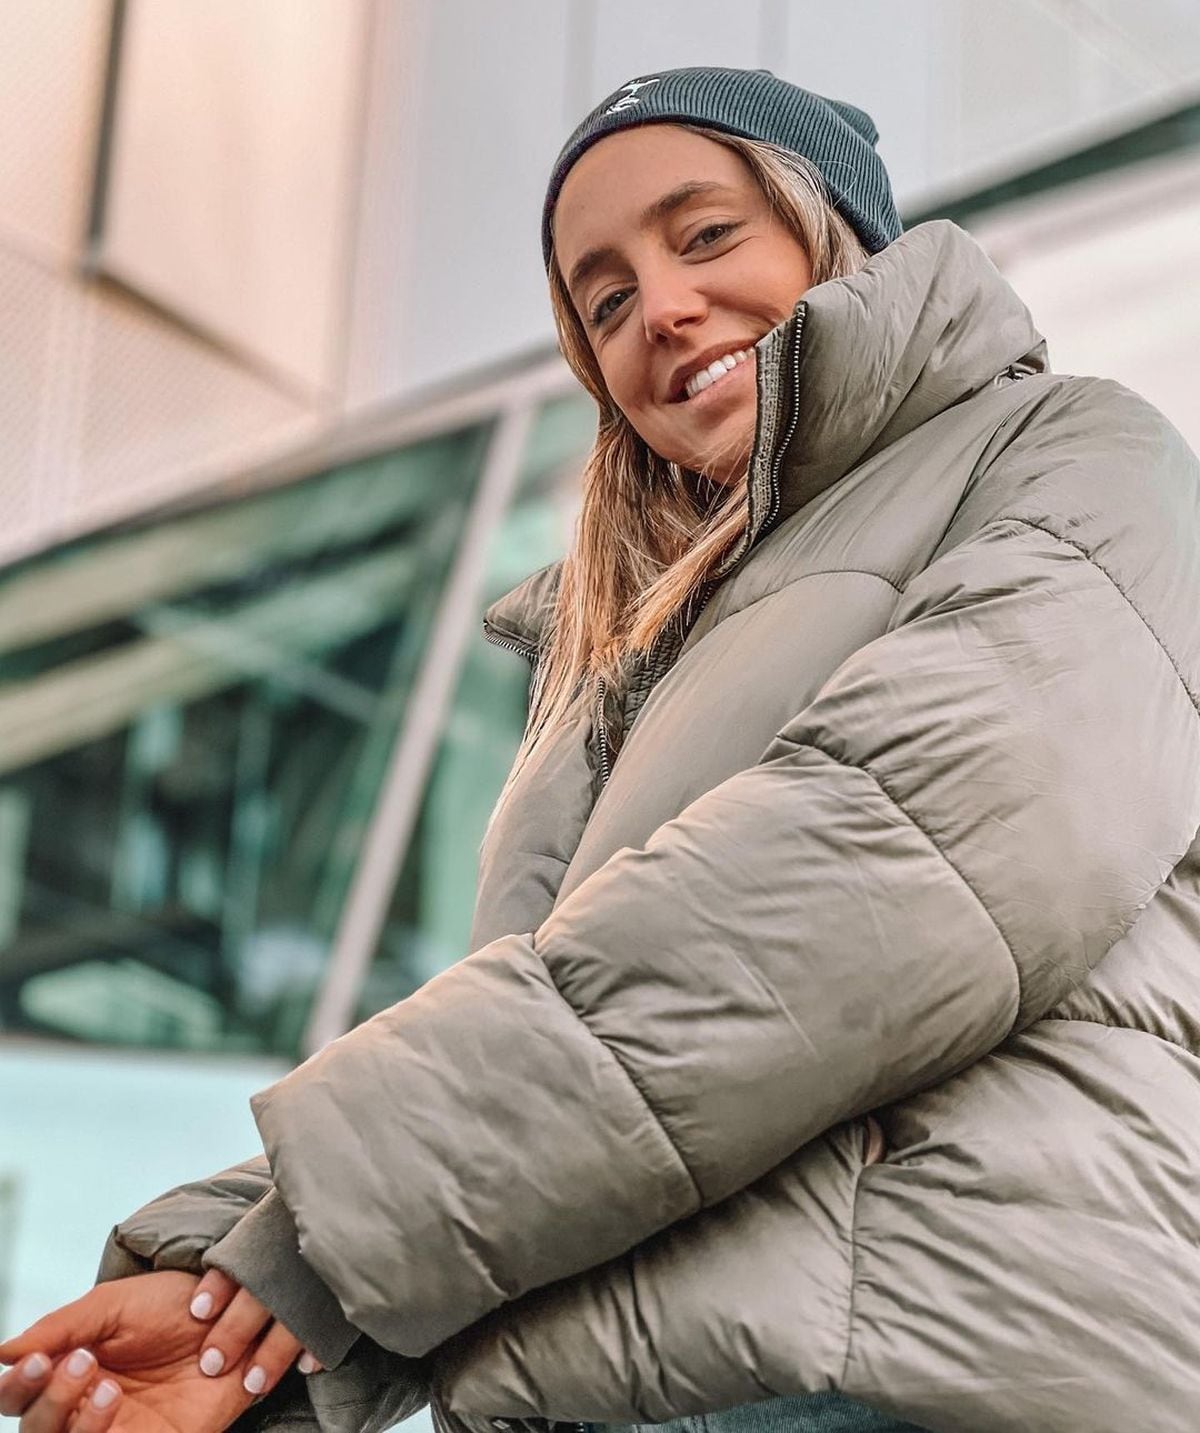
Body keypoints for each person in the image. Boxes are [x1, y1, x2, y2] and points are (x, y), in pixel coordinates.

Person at [3, 63, 1200, 1433]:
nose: (664, 310)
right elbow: (576, 1040)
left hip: (934, 1371)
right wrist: (242, 1291)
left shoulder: (1078, 459)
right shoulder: (615, 660)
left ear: (839, 229)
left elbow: (848, 901)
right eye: (607, 301)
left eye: (707, 234)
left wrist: (312, 1254)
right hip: (633, 1388)